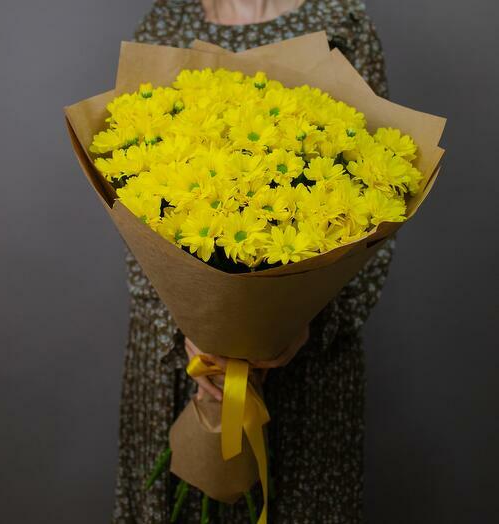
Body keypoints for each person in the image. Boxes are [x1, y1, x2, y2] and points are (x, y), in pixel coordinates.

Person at [113, 1, 394, 522]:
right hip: (184, 366)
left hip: (306, 366)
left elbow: (385, 190)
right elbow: (129, 201)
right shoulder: (164, 24)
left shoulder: (345, 22)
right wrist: (190, 336)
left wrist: (309, 325)